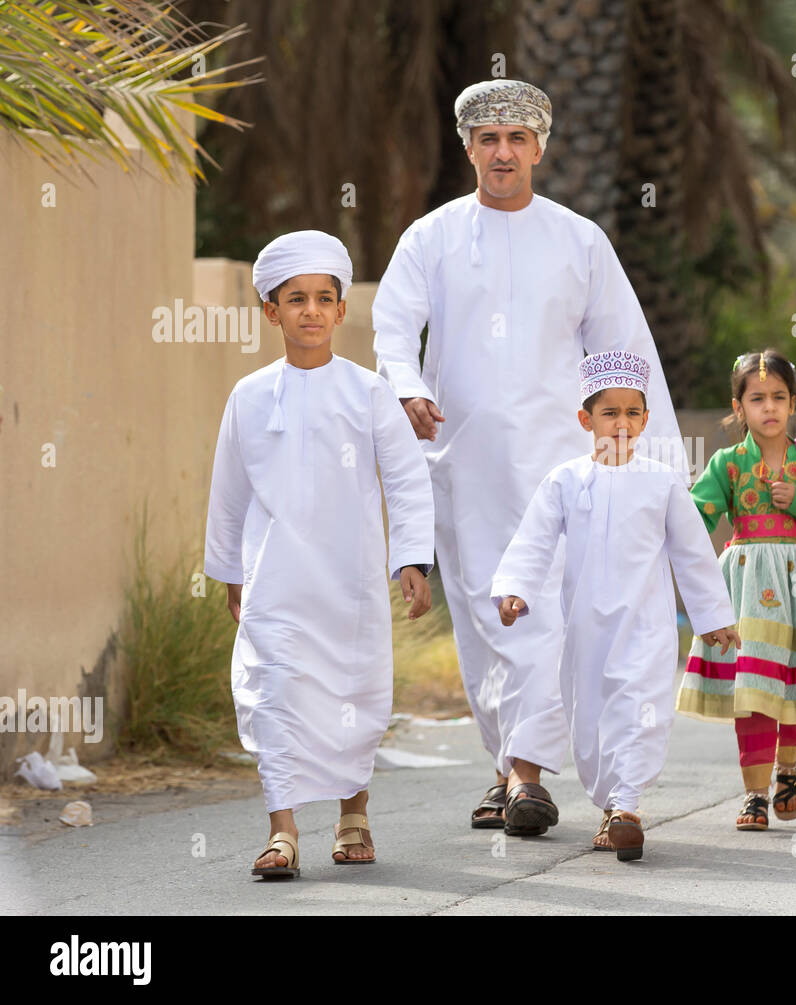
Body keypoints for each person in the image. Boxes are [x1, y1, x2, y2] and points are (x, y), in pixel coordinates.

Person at [371, 79, 687, 836]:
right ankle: (509, 765)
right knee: (486, 621)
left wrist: (654, 467)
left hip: (564, 467)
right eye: (489, 138)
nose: (503, 151)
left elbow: (622, 351)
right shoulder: (431, 238)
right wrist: (407, 386)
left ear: (540, 147)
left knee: (545, 616)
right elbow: (391, 328)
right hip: (467, 463)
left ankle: (525, 777)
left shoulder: (580, 240)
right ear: (468, 148)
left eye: (517, 138)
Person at [204, 230, 438, 878]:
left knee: (353, 694)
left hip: (350, 581)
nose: (310, 310)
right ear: (271, 311)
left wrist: (411, 560)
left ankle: (352, 811)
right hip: (274, 578)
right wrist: (227, 569)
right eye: (296, 298)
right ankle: (283, 831)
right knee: (272, 693)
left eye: (323, 298)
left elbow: (407, 479)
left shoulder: (368, 393)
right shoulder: (248, 397)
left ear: (340, 311)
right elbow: (228, 490)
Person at [491, 351, 740, 860]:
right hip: (584, 631)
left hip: (646, 627)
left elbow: (692, 551)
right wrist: (516, 588)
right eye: (610, 413)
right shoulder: (564, 479)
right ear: (586, 420)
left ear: (646, 420)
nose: (621, 423)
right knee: (590, 720)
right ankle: (609, 804)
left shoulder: (663, 481)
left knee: (639, 712)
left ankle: (627, 808)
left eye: (632, 413)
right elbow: (534, 540)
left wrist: (712, 617)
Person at [676, 349, 796, 831]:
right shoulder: (726, 464)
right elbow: (696, 518)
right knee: (753, 690)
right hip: (747, 586)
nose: (769, 407)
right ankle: (754, 796)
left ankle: (788, 770)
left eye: (778, 397)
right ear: (739, 408)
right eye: (757, 399)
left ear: (793, 403)